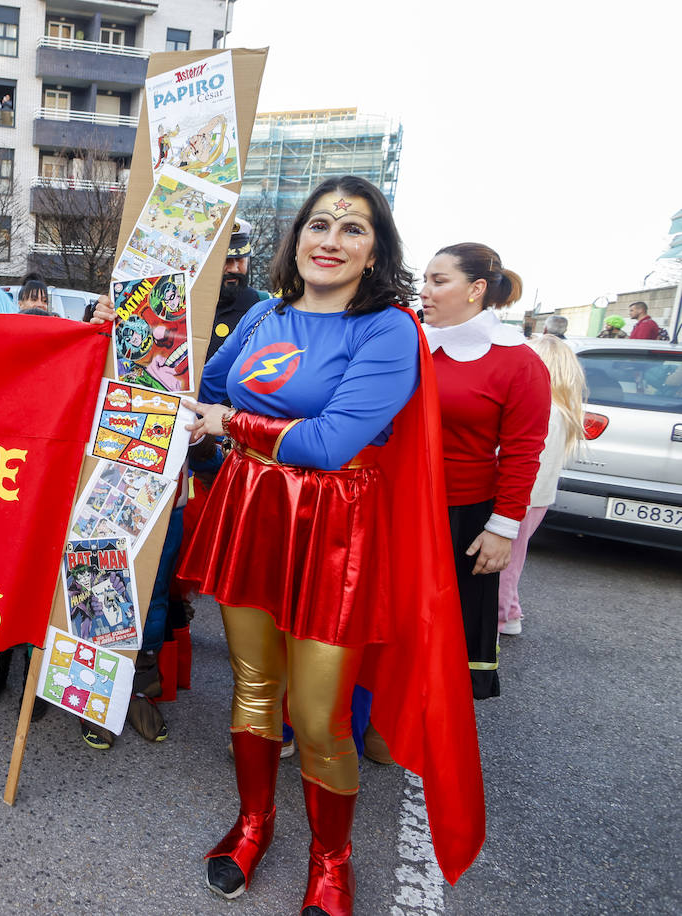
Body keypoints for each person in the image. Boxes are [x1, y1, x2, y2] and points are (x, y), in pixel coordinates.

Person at [177, 176, 484, 913]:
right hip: (252, 512)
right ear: (297, 239)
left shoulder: (387, 330)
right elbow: (202, 383)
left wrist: (231, 425)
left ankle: (332, 857)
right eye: (319, 224)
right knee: (252, 689)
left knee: (317, 717)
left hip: (334, 527)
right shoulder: (264, 317)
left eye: (353, 230)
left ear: (376, 251)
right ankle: (253, 825)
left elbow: (332, 441)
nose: (331, 241)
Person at [420, 242, 549, 699]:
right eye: (425, 280)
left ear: (476, 289)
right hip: (395, 502)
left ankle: (430, 737)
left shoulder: (519, 362)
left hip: (463, 515)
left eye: (438, 281)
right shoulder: (408, 344)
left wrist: (503, 529)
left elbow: (523, 452)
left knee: (447, 632)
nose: (425, 291)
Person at [499, 334, 584, 635]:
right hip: (536, 499)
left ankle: (497, 620)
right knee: (515, 557)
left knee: (503, 562)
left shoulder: (543, 408)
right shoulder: (562, 411)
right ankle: (509, 614)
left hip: (520, 497)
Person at [206, 218, 271, 360]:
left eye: (241, 259)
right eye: (227, 260)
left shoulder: (264, 306)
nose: (235, 268)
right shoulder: (186, 304)